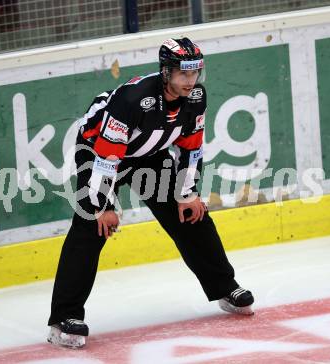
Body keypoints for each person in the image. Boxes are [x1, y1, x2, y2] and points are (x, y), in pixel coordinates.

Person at [47, 37, 254, 348]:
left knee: (191, 214)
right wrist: (102, 205)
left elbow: (191, 146)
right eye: (184, 74)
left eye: (195, 73)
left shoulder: (196, 96)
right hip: (100, 154)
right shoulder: (133, 99)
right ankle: (63, 318)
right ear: (166, 72)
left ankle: (225, 287)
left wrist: (187, 193)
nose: (190, 80)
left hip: (149, 155)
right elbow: (108, 156)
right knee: (91, 226)